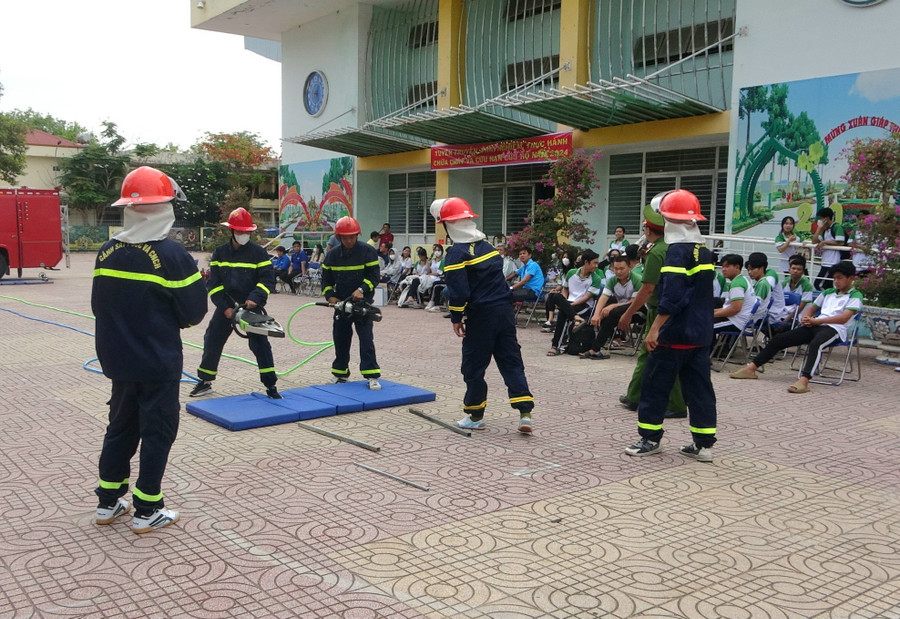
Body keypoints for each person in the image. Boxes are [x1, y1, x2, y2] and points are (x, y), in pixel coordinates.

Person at [92, 166, 207, 533]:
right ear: (164, 209)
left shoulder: (106, 252)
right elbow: (193, 313)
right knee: (157, 432)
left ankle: (108, 502)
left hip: (118, 361)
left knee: (121, 426)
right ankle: (147, 508)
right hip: (157, 364)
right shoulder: (172, 255)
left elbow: (99, 307)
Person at [624, 189, 717, 462]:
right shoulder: (705, 252)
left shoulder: (677, 253)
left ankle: (650, 439)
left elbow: (673, 296)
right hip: (700, 334)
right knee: (699, 389)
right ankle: (703, 445)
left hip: (674, 334)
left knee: (655, 385)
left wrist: (655, 329)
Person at [433, 197, 535, 433]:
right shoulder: (488, 247)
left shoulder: (456, 253)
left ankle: (475, 415)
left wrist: (456, 318)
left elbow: (459, 292)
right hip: (505, 312)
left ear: (449, 226)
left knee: (474, 366)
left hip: (482, 317)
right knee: (511, 361)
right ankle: (525, 414)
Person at [730, 261, 862, 393]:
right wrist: (807, 318)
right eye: (834, 278)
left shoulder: (855, 295)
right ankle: (751, 368)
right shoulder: (828, 292)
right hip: (815, 325)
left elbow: (844, 318)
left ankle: (804, 380)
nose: (836, 281)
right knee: (779, 339)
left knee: (816, 345)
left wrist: (817, 321)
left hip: (835, 329)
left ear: (851, 278)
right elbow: (812, 308)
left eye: (840, 278)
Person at [191, 207, 281, 400]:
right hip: (228, 307)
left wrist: (254, 299)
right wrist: (225, 308)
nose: (244, 235)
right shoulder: (220, 253)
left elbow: (267, 280)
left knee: (260, 344)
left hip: (251, 306)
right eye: (240, 232)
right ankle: (205, 381)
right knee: (212, 339)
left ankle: (271, 385)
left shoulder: (258, 253)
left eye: (247, 232)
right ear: (231, 231)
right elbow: (213, 284)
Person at [617, 201, 687, 418]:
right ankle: (634, 396)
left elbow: (647, 288)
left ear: (648, 230)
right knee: (647, 354)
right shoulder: (670, 247)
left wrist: (628, 313)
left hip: (660, 310)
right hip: (668, 308)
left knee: (664, 355)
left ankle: (676, 405)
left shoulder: (657, 252)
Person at [322, 216, 382, 389]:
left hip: (361, 305)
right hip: (341, 305)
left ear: (357, 235)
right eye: (345, 237)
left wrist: (362, 290)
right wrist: (330, 297)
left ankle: (371, 375)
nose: (349, 241)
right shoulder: (332, 255)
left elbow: (374, 276)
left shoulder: (367, 251)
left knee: (366, 339)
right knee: (340, 339)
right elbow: (325, 280)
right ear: (339, 237)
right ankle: (340, 374)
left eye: (352, 237)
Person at [545, 249, 603, 356]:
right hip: (569, 302)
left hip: (584, 305)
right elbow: (565, 289)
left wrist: (568, 305)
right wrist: (565, 300)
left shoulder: (596, 278)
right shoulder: (571, 273)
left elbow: (586, 297)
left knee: (563, 313)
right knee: (554, 295)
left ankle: (555, 346)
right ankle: (576, 318)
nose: (596, 265)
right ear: (586, 262)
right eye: (594, 262)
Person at [582, 255, 642, 359]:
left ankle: (596, 347)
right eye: (616, 269)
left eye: (622, 269)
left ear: (630, 267)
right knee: (604, 311)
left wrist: (612, 306)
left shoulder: (637, 279)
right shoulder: (612, 280)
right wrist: (596, 315)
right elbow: (603, 297)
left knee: (612, 311)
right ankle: (595, 347)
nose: (618, 272)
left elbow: (634, 302)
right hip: (620, 311)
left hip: (638, 311)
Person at [713, 254, 757, 332]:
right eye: (723, 267)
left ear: (737, 267)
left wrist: (713, 314)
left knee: (705, 325)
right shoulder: (742, 279)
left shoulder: (737, 284)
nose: (723, 269)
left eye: (727, 266)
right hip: (740, 320)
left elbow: (735, 309)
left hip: (736, 322)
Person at [812, 207, 848, 290]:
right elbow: (814, 241)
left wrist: (825, 242)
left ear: (827, 218)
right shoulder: (825, 230)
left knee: (819, 285)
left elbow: (841, 242)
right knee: (828, 286)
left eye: (821, 218)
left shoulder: (837, 227)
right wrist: (818, 228)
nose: (819, 220)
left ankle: (827, 300)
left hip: (832, 262)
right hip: (825, 262)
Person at [781, 255, 814, 322]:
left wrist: (787, 319)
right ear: (789, 270)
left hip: (800, 314)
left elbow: (801, 307)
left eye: (799, 269)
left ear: (803, 272)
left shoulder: (807, 285)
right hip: (786, 311)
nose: (795, 271)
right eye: (793, 268)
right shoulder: (785, 282)